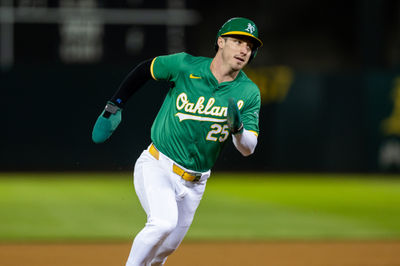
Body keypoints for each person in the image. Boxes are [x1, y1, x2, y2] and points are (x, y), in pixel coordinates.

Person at [92, 17, 263, 266]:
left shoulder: (248, 92)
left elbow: (248, 148)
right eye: (237, 41)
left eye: (249, 46)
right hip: (158, 164)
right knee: (162, 223)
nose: (244, 50)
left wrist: (238, 128)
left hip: (196, 183)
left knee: (165, 250)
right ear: (221, 42)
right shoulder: (185, 65)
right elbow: (145, 69)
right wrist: (115, 105)